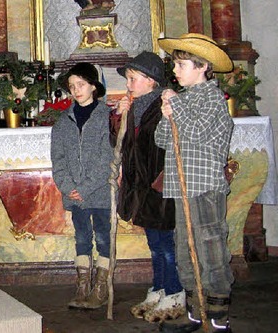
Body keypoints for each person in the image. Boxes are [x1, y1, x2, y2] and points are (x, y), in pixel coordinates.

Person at [155, 33, 235, 333]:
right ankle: (195, 313)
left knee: (209, 247)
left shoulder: (213, 98)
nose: (175, 72)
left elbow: (199, 133)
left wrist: (177, 107)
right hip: (181, 185)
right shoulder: (184, 99)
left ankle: (217, 317)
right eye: (174, 66)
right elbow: (162, 140)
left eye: (181, 65)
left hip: (204, 186)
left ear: (202, 67)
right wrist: (167, 116)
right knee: (185, 247)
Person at [111, 52, 185, 323]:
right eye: (129, 79)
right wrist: (119, 117)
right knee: (154, 243)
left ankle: (175, 292)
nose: (128, 84)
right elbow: (121, 142)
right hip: (142, 186)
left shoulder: (165, 103)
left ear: (151, 81)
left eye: (133, 78)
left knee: (166, 243)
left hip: (161, 184)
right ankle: (160, 288)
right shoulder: (136, 105)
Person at [51, 62, 112, 310]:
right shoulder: (62, 123)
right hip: (74, 193)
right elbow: (58, 160)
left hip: (99, 192)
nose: (76, 90)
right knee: (82, 238)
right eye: (72, 86)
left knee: (104, 237)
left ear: (93, 86)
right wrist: (68, 186)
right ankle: (82, 284)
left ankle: (101, 287)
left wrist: (85, 187)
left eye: (81, 85)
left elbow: (106, 158)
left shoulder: (107, 117)